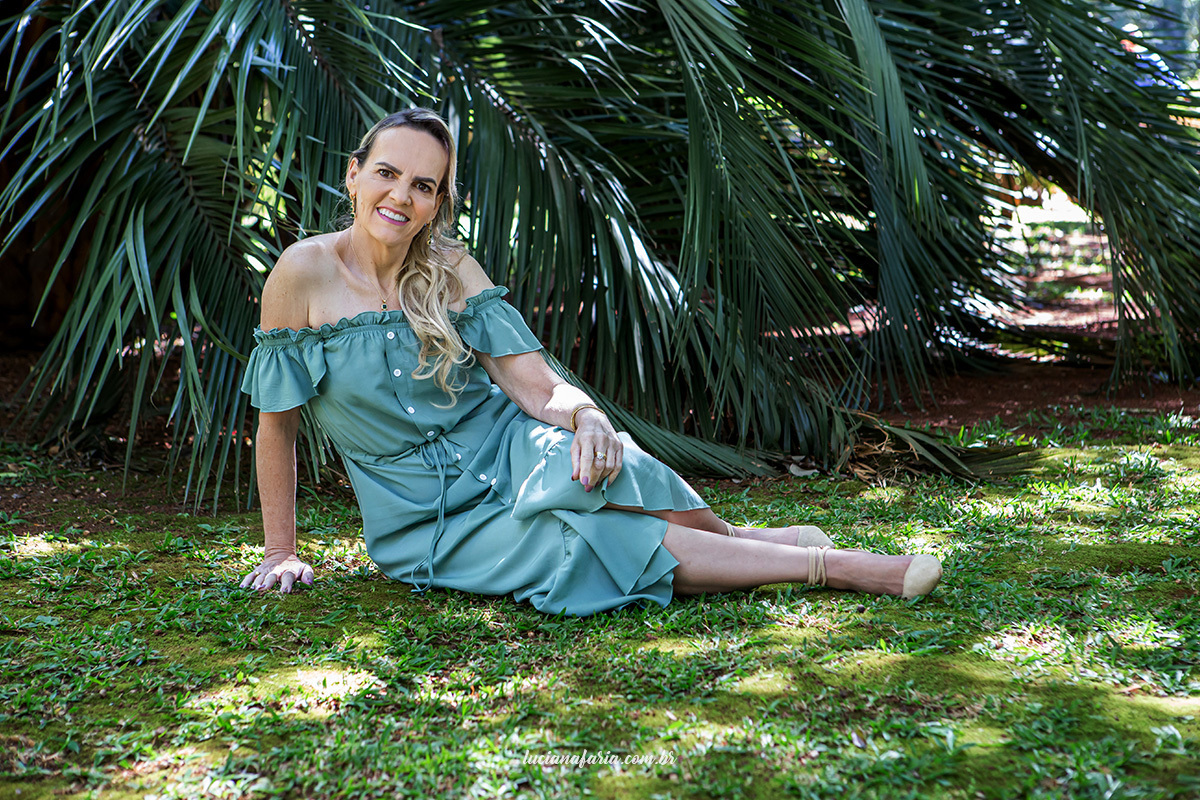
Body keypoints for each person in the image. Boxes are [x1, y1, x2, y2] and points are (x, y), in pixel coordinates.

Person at [238, 108, 942, 615]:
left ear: (437, 202)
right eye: (388, 173)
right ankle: (834, 568)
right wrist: (280, 551)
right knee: (591, 537)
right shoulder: (302, 275)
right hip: (425, 516)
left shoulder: (449, 265)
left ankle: (746, 544)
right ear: (355, 175)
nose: (402, 195)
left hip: (505, 443)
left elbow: (532, 382)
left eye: (424, 185)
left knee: (613, 463)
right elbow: (278, 426)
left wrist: (589, 416)